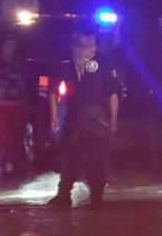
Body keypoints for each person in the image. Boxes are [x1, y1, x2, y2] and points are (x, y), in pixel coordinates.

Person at [47, 30, 120, 209]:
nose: (87, 41)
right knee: (69, 155)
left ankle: (96, 196)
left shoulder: (102, 60)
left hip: (97, 116)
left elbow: (113, 93)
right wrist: (54, 115)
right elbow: (53, 89)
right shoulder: (66, 59)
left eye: (90, 38)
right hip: (74, 114)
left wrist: (113, 120)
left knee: (97, 157)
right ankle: (64, 194)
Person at [0, 32, 28, 179]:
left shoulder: (16, 63)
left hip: (16, 103)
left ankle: (9, 162)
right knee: (2, 136)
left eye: (14, 45)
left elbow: (22, 81)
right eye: (9, 45)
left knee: (14, 135)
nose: (11, 48)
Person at [117, 0, 162, 90]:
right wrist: (117, 35)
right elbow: (121, 17)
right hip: (134, 40)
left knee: (155, 71)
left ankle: (154, 93)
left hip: (153, 41)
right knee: (135, 71)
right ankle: (135, 91)